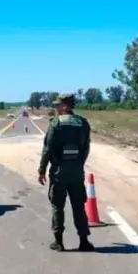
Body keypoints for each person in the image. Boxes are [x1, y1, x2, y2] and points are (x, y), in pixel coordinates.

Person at [37, 93, 94, 252]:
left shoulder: (56, 123)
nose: (56, 108)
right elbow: (86, 148)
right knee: (79, 207)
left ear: (64, 105)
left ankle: (59, 242)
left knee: (57, 206)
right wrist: (79, 164)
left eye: (57, 105)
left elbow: (47, 149)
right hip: (76, 171)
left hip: (59, 172)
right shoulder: (83, 123)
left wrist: (42, 170)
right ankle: (84, 241)